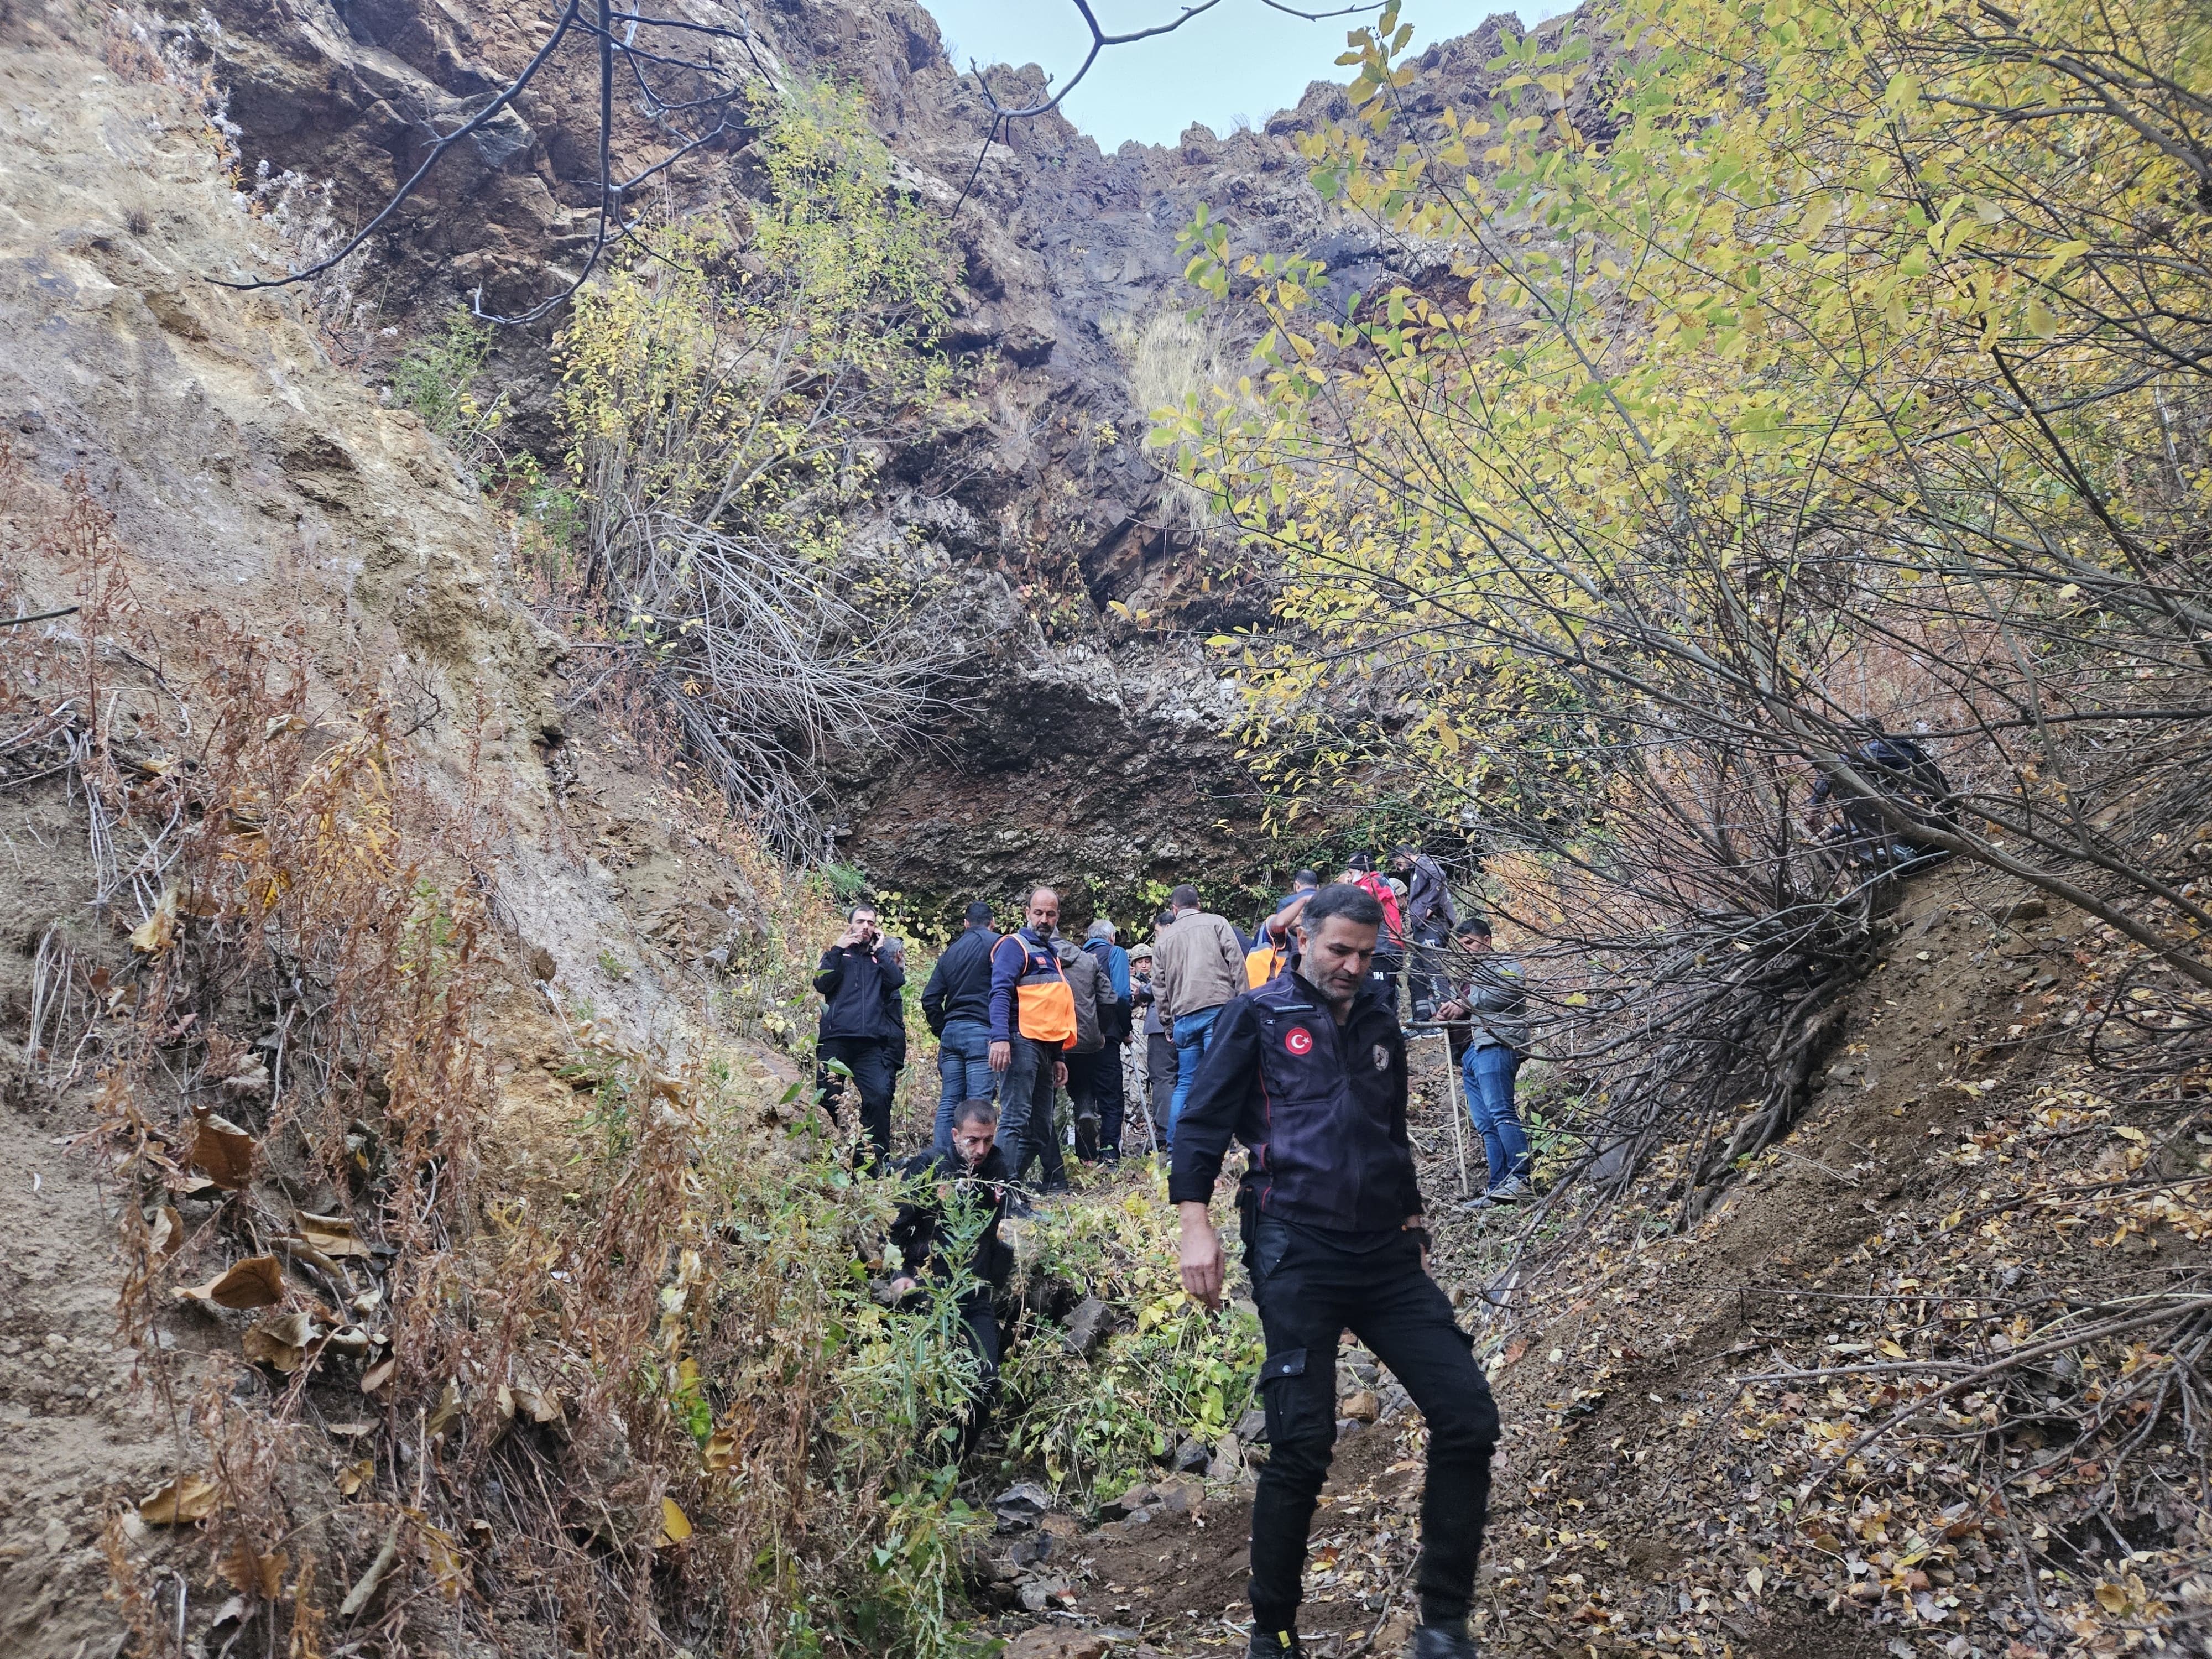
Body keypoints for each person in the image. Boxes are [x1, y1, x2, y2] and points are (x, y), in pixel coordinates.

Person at [1171, 884, 1499, 1659]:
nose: (1352, 965)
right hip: (1296, 1244)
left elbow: (1390, 1129)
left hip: (1385, 1250)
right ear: (1303, 941)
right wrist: (1195, 1223)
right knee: (1303, 1441)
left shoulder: (1383, 1018)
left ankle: (1444, 1625)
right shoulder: (1257, 1016)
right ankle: (1273, 1630)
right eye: (1338, 950)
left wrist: (1416, 1219)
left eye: (1364, 953)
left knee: (1468, 1416)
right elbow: (1201, 1121)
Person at [888, 1098, 1014, 1458]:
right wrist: (900, 1274)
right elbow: (896, 1230)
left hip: (974, 1293)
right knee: (921, 1382)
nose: (981, 1149)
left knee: (986, 1378)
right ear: (955, 1134)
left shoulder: (998, 1166)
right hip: (928, 1289)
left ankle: (954, 1466)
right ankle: (913, 1462)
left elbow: (995, 1233)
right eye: (973, 1140)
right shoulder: (930, 1166)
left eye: (988, 1140)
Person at [1438, 914, 1532, 1205]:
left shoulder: (1505, 963)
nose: (1465, 949)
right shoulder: (1471, 976)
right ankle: (1497, 1186)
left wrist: (1464, 1003)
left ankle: (1520, 1180)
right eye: (1461, 945)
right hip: (1472, 1052)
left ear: (1487, 941)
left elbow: (1511, 988)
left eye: (1469, 943)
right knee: (1486, 1124)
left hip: (1497, 1044)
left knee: (1502, 1112)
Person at [988, 886, 1075, 1193]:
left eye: (1050, 914)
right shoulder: (1015, 946)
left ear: (1057, 917)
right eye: (1038, 912)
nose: (1044, 919)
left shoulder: (1051, 955)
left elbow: (1052, 1010)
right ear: (1027, 913)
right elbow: (1000, 992)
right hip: (1019, 1041)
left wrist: (1059, 1056)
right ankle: (999, 1196)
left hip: (1044, 1049)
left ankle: (1010, 1190)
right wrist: (1000, 1038)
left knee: (1039, 1128)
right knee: (1014, 1119)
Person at [1152, 883, 1248, 1150]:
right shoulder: (1217, 923)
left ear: (1174, 909)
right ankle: (1225, 1146)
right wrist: (1244, 1004)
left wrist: (1167, 1023)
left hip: (1183, 1017)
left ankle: (1175, 1146)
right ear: (1199, 904)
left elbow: (1159, 986)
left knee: (1185, 1083)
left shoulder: (1164, 940)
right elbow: (1237, 964)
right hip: (1218, 1010)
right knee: (1220, 1077)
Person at [813, 904, 905, 1165]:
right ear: (850, 925)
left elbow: (897, 982)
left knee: (878, 1097)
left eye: (871, 923)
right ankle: (826, 1159)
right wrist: (837, 949)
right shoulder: (838, 955)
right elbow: (822, 983)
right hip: (837, 1039)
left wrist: (881, 952)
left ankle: (872, 1164)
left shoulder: (879, 959)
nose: (866, 926)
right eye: (861, 921)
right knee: (828, 1099)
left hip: (870, 1044)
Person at [1808, 723, 1958, 869]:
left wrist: (1815, 805)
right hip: (1911, 827)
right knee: (1834, 840)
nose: (1848, 743)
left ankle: (1896, 850)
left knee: (1844, 780)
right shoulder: (1866, 758)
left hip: (1935, 826)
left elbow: (1834, 765)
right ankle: (1885, 857)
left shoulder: (1892, 745)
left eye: (1851, 737)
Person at [921, 901, 1000, 1156]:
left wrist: (942, 1029)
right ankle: (975, 1170)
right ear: (993, 922)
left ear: (965, 923)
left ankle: (940, 1165)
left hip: (952, 1033)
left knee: (949, 1104)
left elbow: (930, 998)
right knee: (978, 1105)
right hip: (982, 1032)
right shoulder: (998, 945)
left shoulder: (950, 952)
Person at [1056, 936, 1114, 1163]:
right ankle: (1087, 1153)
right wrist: (1101, 1031)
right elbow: (1109, 999)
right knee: (1082, 1087)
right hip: (1086, 1039)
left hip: (1053, 1037)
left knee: (1048, 1095)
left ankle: (1055, 1154)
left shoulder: (1037, 958)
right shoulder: (1088, 961)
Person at [1081, 920, 1133, 1161]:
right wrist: (1125, 1029)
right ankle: (1110, 1152)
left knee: (1083, 1093)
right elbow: (1121, 995)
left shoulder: (1076, 957)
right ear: (1111, 937)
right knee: (1111, 1095)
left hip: (1075, 1038)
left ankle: (1085, 1153)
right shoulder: (1116, 953)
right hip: (1106, 1035)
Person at [1391, 846, 1460, 1022]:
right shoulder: (1418, 870)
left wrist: (1428, 909)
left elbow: (1440, 876)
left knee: (1435, 971)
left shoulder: (1424, 863)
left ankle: (1444, 1018)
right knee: (1416, 974)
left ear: (1405, 855)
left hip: (1433, 926)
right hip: (1423, 929)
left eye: (1399, 863)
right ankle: (1421, 1018)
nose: (1400, 869)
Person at [1343, 854, 1407, 1014]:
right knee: (1387, 990)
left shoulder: (1372, 885)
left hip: (1384, 946)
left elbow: (1355, 906)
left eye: (1351, 873)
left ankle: (1384, 1030)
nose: (1349, 878)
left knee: (1381, 992)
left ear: (1362, 872)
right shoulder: (1379, 882)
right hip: (1389, 945)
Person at [1131, 944, 1174, 1147]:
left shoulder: (1169, 951)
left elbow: (1158, 986)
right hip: (1144, 1038)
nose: (1146, 965)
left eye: (1148, 961)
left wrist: (1143, 993)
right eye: (1141, 961)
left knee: (1163, 1078)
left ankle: (1165, 1133)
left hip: (1159, 1026)